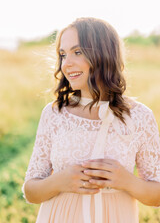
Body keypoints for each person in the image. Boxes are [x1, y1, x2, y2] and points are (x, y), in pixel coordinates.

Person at [22, 17, 160, 223]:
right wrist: (60, 181)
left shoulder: (140, 117)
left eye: (77, 52)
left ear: (104, 54)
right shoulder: (54, 114)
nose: (66, 64)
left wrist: (126, 181)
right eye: (62, 54)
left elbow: (156, 196)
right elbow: (31, 192)